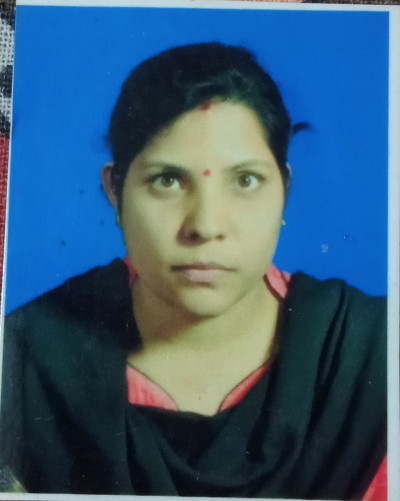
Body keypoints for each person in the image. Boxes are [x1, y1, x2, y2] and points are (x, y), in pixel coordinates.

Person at [0, 42, 386, 498]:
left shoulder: (371, 352)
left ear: (284, 190)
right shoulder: (25, 359)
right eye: (167, 180)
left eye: (245, 180)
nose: (205, 225)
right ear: (114, 191)